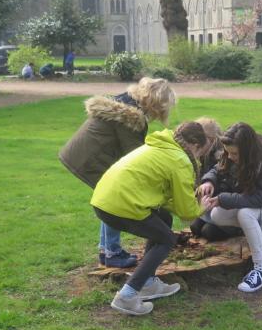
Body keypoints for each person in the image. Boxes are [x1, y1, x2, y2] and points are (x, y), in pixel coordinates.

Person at [91, 122, 208, 315]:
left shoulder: (160, 145)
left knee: (163, 219)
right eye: (199, 153)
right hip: (121, 206)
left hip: (103, 201)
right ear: (194, 144)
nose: (198, 158)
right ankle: (127, 295)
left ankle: (148, 282)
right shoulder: (180, 159)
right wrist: (204, 206)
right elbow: (187, 212)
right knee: (167, 239)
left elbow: (166, 199)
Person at [59, 77, 177, 268]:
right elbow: (136, 157)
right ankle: (112, 252)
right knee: (115, 201)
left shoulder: (124, 103)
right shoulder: (131, 119)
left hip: (84, 154)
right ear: (155, 102)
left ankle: (107, 250)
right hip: (91, 159)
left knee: (111, 200)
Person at [197, 122, 262, 292]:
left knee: (245, 214)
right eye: (228, 152)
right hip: (253, 204)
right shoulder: (233, 153)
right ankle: (253, 232)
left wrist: (223, 198)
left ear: (247, 150)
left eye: (234, 153)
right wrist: (208, 181)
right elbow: (218, 169)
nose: (230, 157)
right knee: (217, 215)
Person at [189, 118, 240, 242]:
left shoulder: (223, 154)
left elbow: (228, 184)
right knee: (195, 227)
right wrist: (207, 183)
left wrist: (213, 194)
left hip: (226, 206)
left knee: (208, 231)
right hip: (212, 205)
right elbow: (213, 173)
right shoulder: (199, 155)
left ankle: (238, 230)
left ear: (211, 140)